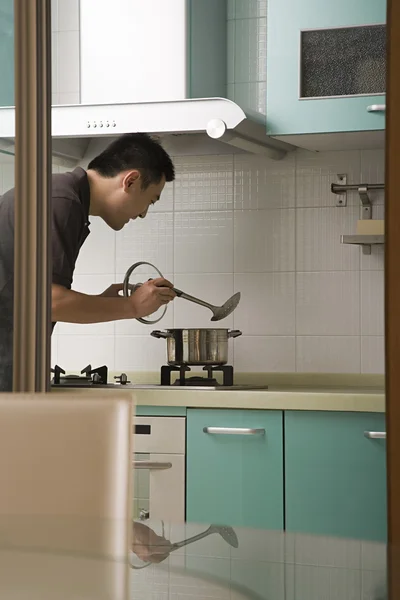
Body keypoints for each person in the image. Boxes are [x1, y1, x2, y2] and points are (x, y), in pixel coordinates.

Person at [0, 133, 176, 391]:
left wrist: (107, 301)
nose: (143, 214)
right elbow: (48, 303)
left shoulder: (58, 196)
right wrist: (131, 307)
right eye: (149, 200)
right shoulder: (60, 202)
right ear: (131, 180)